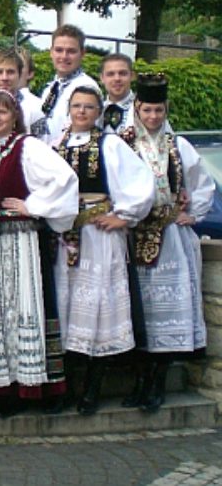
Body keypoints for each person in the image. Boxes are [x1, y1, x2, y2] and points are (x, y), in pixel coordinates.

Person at [53, 86, 154, 415]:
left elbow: (140, 181)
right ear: (69, 109)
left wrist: (123, 216)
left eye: (89, 107)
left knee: (97, 307)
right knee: (68, 309)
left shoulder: (109, 144)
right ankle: (67, 387)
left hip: (98, 237)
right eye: (77, 106)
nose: (82, 112)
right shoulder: (57, 142)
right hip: (66, 236)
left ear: (99, 112)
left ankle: (92, 389)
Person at [0, 90, 78, 417]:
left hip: (22, 238)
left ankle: (37, 387)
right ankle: (3, 389)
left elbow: (64, 179)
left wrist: (32, 206)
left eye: (3, 112)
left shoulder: (28, 146)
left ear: (14, 116)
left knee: (25, 306)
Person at [122, 74, 214, 413]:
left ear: (165, 110)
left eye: (159, 110)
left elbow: (202, 183)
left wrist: (192, 213)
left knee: (163, 315)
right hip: (134, 236)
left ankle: (157, 384)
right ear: (137, 109)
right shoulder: (124, 143)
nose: (153, 117)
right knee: (139, 313)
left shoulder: (178, 146)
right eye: (147, 110)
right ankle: (139, 382)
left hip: (170, 239)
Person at [40, 25, 100, 142]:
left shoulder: (87, 88)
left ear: (82, 53)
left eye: (71, 51)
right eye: (59, 50)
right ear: (51, 52)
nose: (64, 56)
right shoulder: (50, 89)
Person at [0, 48, 46, 137]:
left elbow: (43, 146)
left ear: (19, 75)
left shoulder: (35, 110)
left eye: (10, 72)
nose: (4, 78)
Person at [100, 53, 136, 133]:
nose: (117, 79)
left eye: (122, 73)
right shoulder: (96, 112)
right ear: (102, 78)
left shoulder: (146, 110)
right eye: (110, 74)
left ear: (132, 76)